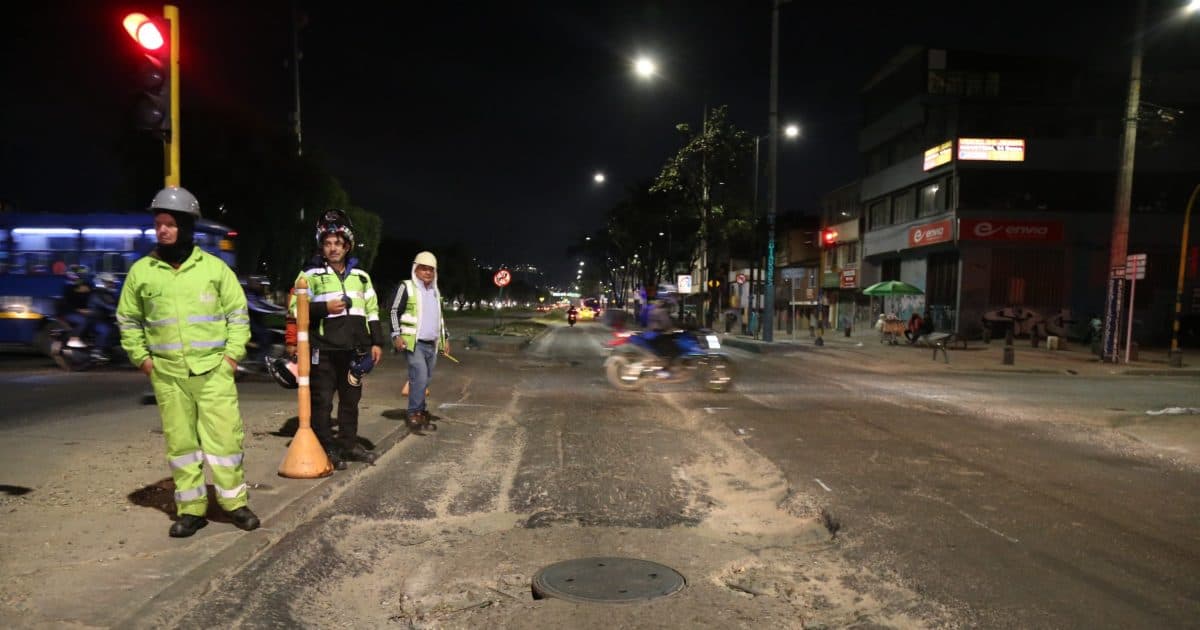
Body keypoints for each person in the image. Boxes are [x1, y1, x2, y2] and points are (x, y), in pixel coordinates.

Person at [116, 186, 259, 538]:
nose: (162, 230)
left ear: (185, 226)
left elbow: (238, 316)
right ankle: (191, 510)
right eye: (158, 224)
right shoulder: (142, 273)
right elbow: (128, 320)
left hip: (213, 373)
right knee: (181, 446)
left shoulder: (213, 269)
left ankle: (234, 505)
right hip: (167, 376)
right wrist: (143, 360)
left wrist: (230, 358)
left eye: (170, 224)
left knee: (225, 442)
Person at [291, 209, 385, 469]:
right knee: (321, 402)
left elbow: (372, 311)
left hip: (355, 351)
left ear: (347, 245)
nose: (333, 249)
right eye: (328, 243)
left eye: (338, 243)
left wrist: (376, 342)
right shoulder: (308, 276)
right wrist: (323, 309)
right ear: (322, 246)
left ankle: (348, 443)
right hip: (324, 350)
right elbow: (293, 309)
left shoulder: (361, 278)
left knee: (350, 401)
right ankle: (326, 447)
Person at [389, 251, 449, 432]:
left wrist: (445, 339)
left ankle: (421, 414)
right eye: (424, 269)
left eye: (431, 269)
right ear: (416, 269)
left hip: (432, 344)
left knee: (424, 380)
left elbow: (440, 318)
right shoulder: (406, 287)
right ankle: (413, 413)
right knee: (420, 376)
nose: (428, 272)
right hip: (413, 343)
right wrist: (395, 335)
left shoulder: (435, 293)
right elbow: (393, 311)